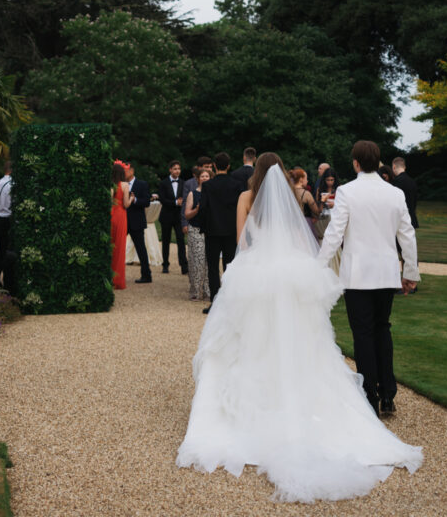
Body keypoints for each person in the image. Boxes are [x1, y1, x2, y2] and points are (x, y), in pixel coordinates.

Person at [177, 151, 422, 501]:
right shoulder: (293, 196)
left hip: (257, 270)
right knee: (300, 337)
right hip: (289, 270)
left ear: (256, 171)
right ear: (280, 174)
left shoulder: (246, 197)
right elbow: (298, 237)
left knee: (249, 338)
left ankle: (257, 402)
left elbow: (242, 242)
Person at [319, 140, 420, 418]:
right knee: (382, 329)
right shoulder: (394, 193)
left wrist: (318, 266)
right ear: (378, 162)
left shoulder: (347, 192)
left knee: (363, 333)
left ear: (355, 163)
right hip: (387, 273)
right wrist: (410, 272)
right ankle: (388, 394)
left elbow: (334, 234)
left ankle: (370, 395)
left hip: (357, 275)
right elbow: (407, 235)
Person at [197, 152, 241, 314]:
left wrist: (203, 227)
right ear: (229, 166)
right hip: (230, 231)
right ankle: (230, 302)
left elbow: (203, 208)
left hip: (213, 231)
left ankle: (215, 302)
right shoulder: (236, 185)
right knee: (229, 266)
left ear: (214, 166)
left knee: (213, 268)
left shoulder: (208, 186)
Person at [184, 167, 210, 302]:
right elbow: (187, 214)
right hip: (195, 229)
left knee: (209, 261)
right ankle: (195, 291)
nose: (205, 178)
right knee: (197, 261)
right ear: (198, 179)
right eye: (203, 176)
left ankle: (208, 291)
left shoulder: (212, 193)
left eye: (207, 176)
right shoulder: (192, 194)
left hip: (210, 230)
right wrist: (197, 209)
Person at [157, 161, 188, 275]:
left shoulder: (183, 183)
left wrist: (181, 202)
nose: (177, 171)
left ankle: (184, 265)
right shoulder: (164, 183)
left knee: (181, 241)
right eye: (175, 169)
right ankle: (165, 264)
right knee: (166, 241)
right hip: (166, 216)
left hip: (179, 216)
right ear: (170, 170)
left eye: (179, 169)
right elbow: (162, 199)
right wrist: (175, 202)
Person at [125, 163, 152, 284]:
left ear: (132, 170)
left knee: (141, 249)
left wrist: (135, 199)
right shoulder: (119, 184)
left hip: (136, 221)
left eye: (125, 170)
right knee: (118, 247)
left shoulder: (142, 184)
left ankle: (146, 275)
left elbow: (146, 202)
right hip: (123, 222)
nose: (123, 173)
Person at [110, 162, 132, 290]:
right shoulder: (125, 185)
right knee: (119, 247)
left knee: (111, 246)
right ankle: (117, 280)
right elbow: (126, 204)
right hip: (121, 216)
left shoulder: (110, 185)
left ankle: (109, 277)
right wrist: (131, 199)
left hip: (111, 215)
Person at [289, 167, 319, 237]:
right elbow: (317, 211)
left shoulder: (288, 192)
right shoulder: (306, 194)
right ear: (301, 179)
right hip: (305, 223)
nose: (307, 181)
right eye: (306, 178)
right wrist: (322, 201)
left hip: (290, 224)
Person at [391, 157, 419, 228]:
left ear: (394, 167)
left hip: (401, 221)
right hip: (411, 218)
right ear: (404, 167)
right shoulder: (412, 182)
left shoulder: (396, 182)